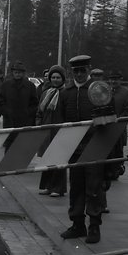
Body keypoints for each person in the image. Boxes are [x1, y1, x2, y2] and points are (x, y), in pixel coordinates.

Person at [57, 55, 106, 244]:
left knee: (94, 188)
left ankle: (94, 225)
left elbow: (108, 119)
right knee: (76, 187)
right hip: (73, 148)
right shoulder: (66, 93)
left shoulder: (98, 90)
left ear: (89, 70)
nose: (78, 74)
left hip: (94, 147)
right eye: (75, 71)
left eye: (82, 70)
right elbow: (61, 121)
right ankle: (78, 224)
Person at [36, 65, 67, 197]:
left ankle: (58, 188)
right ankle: (46, 186)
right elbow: (39, 112)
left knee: (59, 159)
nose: (55, 80)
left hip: (60, 130)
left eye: (58, 77)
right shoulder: (45, 93)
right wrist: (38, 125)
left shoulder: (65, 93)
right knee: (47, 158)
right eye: (53, 77)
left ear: (63, 79)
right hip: (46, 130)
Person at [0, 60, 38, 150]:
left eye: (19, 72)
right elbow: (0, 101)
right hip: (9, 121)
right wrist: (7, 111)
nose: (17, 74)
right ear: (12, 73)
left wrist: (28, 113)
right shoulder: (6, 85)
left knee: (23, 147)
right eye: (16, 72)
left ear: (23, 73)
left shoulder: (30, 86)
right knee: (9, 147)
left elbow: (35, 103)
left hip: (25, 121)